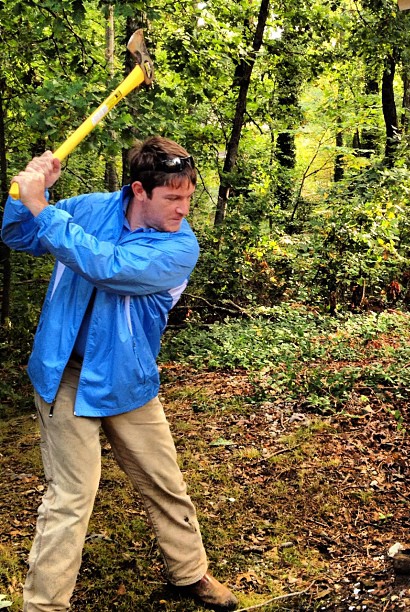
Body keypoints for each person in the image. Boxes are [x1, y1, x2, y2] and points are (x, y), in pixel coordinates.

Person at [2, 136, 239, 612]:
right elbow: (19, 235)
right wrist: (27, 196)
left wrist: (44, 210)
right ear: (138, 190)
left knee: (164, 481)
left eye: (189, 197)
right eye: (173, 198)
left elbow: (107, 267)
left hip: (127, 378)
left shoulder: (178, 248)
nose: (183, 209)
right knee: (71, 494)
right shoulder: (90, 209)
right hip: (62, 373)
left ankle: (189, 573)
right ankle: (43, 606)